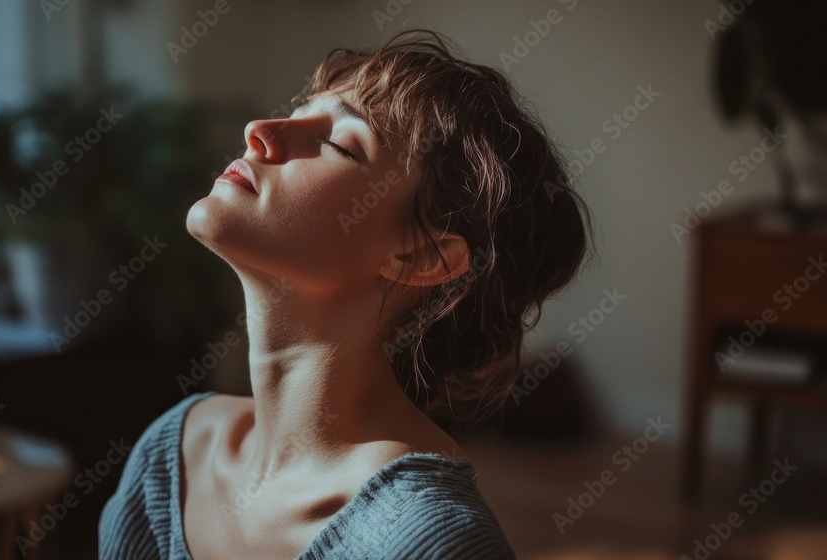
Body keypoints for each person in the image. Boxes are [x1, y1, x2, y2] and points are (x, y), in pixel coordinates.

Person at [100, 28, 590, 559]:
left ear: (421, 257)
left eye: (338, 142)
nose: (259, 130)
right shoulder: (176, 453)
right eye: (301, 109)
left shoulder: (428, 541)